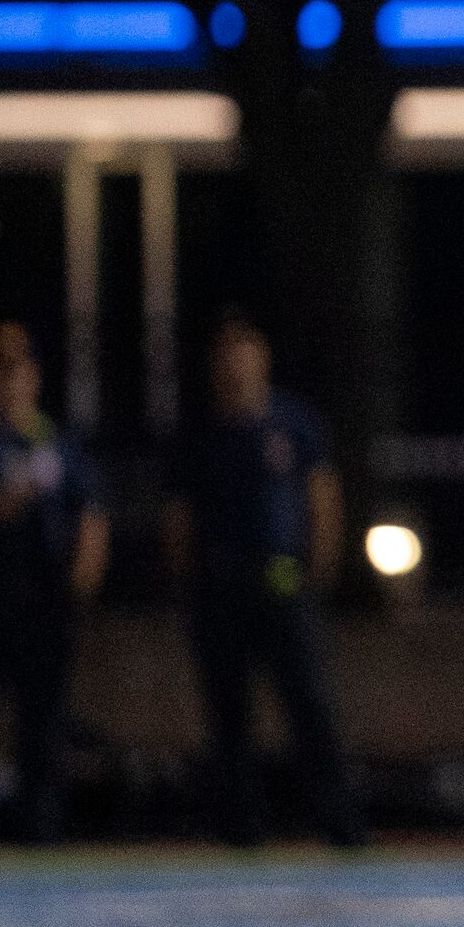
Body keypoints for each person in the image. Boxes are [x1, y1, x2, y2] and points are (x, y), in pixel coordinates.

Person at [162, 313, 357, 847]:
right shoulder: (199, 433)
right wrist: (189, 584)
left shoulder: (294, 424)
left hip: (284, 583)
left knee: (310, 705)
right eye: (226, 354)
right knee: (229, 712)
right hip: (221, 585)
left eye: (245, 352)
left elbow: (322, 499)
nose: (235, 364)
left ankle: (340, 824)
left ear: (262, 358)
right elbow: (179, 518)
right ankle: (241, 830)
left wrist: (320, 570)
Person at [0, 321, 107, 843]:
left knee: (40, 728)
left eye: (19, 370)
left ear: (34, 377)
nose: (9, 381)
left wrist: (81, 584)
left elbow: (91, 513)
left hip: (42, 607)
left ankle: (38, 832)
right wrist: (1, 505)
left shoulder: (57, 444)